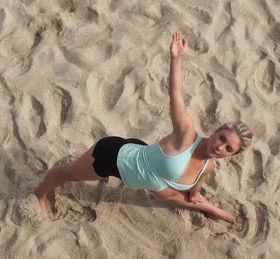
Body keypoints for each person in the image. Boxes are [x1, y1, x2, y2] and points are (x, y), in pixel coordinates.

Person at [35, 31, 253, 224]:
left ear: (231, 155)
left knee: (177, 196)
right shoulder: (186, 135)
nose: (220, 147)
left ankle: (209, 208)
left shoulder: (208, 166)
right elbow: (176, 96)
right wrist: (176, 59)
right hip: (115, 158)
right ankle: (40, 194)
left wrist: (196, 195)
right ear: (216, 131)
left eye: (228, 149)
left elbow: (196, 186)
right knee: (68, 174)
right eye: (222, 138)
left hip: (148, 163)